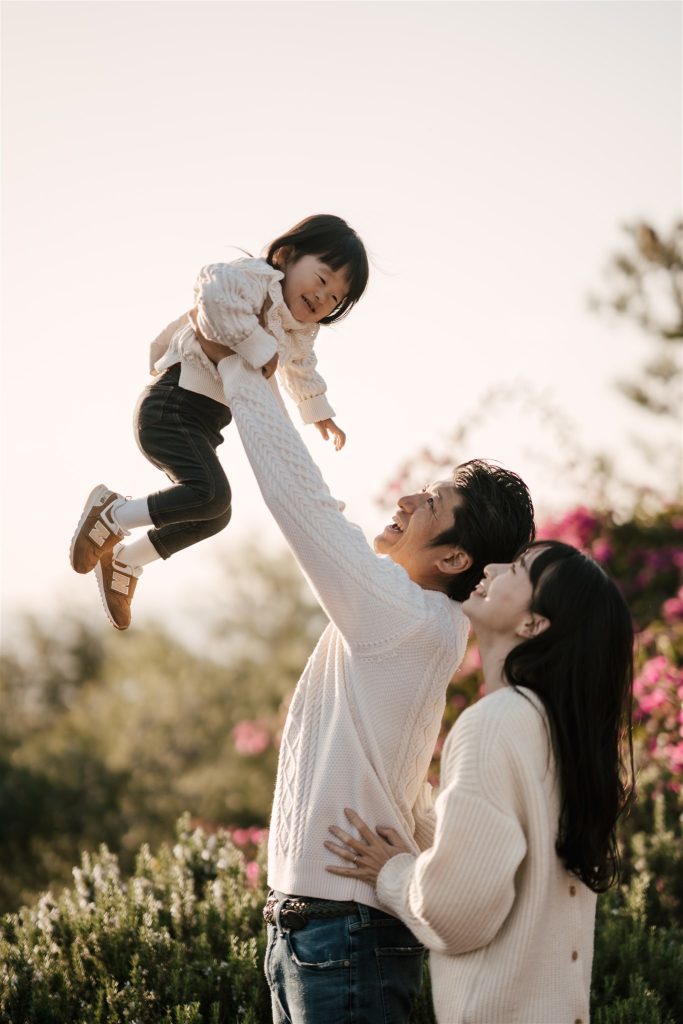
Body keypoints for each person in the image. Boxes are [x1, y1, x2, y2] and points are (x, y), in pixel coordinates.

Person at [190, 329, 536, 1024]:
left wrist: (238, 370)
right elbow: (392, 765)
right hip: (313, 929)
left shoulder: (405, 615)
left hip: (342, 934)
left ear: (452, 558)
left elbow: (302, 502)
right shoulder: (414, 619)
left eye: (431, 507)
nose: (409, 501)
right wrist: (417, 836)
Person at [325, 541, 634, 1024]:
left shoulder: (493, 723)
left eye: (517, 568)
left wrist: (393, 873)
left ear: (533, 624)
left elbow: (456, 916)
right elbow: (509, 858)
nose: (490, 567)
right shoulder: (565, 734)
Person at [69, 213, 369, 630]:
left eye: (335, 298)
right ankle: (112, 514)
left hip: (201, 425)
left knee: (214, 513)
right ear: (286, 256)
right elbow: (213, 296)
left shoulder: (297, 331)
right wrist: (257, 347)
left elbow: (300, 367)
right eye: (321, 279)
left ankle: (127, 560)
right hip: (171, 406)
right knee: (211, 494)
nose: (323, 297)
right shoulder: (256, 278)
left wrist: (319, 413)